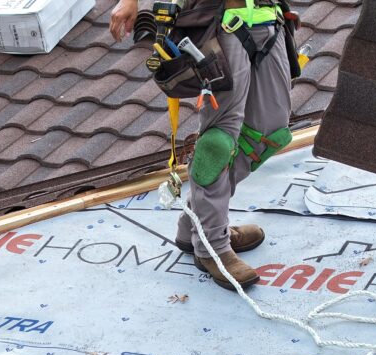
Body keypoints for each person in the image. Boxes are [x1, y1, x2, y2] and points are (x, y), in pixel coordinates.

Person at [110, 0, 292, 290]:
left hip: (267, 17)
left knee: (271, 131)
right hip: (221, 23)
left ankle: (195, 222)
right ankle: (212, 245)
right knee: (218, 142)